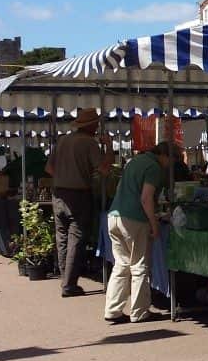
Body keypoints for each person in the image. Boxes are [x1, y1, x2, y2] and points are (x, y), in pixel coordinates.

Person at [104, 142, 177, 324]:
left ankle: (113, 310)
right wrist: (154, 224)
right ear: (165, 156)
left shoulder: (135, 161)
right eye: (172, 160)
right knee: (139, 266)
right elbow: (146, 198)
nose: (170, 165)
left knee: (121, 264)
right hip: (134, 219)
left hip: (114, 216)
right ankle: (140, 311)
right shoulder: (154, 168)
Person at [47, 109, 112, 298]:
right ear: (91, 125)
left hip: (58, 193)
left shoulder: (62, 140)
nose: (98, 126)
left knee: (62, 237)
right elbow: (105, 169)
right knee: (76, 237)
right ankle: (69, 284)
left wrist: (64, 176)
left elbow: (49, 168)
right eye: (96, 123)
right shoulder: (89, 143)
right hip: (78, 194)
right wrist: (108, 147)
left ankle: (65, 279)